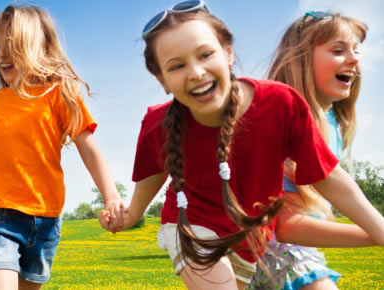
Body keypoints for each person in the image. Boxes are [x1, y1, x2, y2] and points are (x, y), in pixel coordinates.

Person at [101, 1, 384, 289]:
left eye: (206, 54)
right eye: (177, 66)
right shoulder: (157, 123)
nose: (197, 72)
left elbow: (329, 176)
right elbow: (154, 172)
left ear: (228, 52)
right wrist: (132, 213)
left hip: (250, 238)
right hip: (191, 226)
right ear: (161, 79)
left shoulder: (280, 104)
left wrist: (380, 230)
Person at [0, 4, 123, 289]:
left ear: (36, 45)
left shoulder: (59, 93)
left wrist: (111, 197)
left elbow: (90, 150)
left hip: (45, 220)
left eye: (9, 45)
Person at [249, 11, 373, 290]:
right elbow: (286, 226)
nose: (354, 59)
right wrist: (375, 233)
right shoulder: (283, 122)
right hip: (275, 253)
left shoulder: (332, 123)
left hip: (294, 252)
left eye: (356, 50)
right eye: (338, 50)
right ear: (302, 58)